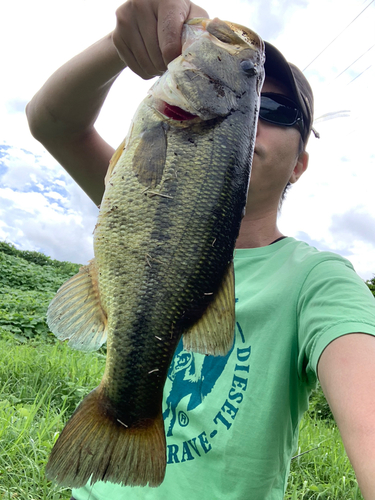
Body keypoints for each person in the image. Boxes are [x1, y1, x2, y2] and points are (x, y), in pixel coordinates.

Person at [26, 1, 375, 499]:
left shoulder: (319, 283)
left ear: (299, 164)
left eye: (272, 111)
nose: (250, 118)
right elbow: (52, 123)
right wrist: (119, 46)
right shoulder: (143, 202)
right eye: (251, 91)